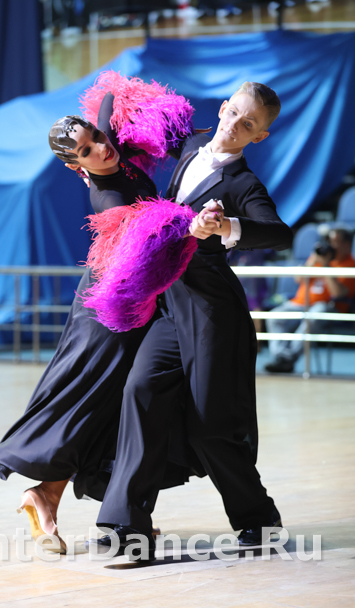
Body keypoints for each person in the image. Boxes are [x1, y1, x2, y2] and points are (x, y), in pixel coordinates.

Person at [0, 92, 194, 554]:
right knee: (93, 398)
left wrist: (124, 114)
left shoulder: (106, 145)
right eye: (86, 150)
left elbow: (110, 99)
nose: (101, 146)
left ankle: (58, 498)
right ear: (74, 166)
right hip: (109, 309)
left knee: (114, 403)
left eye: (96, 136)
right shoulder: (110, 199)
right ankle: (64, 497)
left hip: (132, 302)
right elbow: (154, 242)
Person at [91, 81, 293, 560]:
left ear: (259, 136)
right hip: (170, 302)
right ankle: (127, 526)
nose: (236, 125)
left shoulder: (243, 185)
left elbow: (280, 234)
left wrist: (226, 226)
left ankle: (259, 520)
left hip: (212, 309)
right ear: (223, 108)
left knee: (210, 423)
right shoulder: (190, 145)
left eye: (249, 124)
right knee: (140, 391)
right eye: (234, 113)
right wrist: (92, 158)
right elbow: (122, 123)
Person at [265, 228, 355, 373]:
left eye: (335, 242)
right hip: (300, 303)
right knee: (275, 316)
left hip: (328, 306)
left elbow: (338, 293)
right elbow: (298, 279)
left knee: (314, 314)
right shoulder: (318, 258)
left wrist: (326, 266)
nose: (331, 245)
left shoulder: (350, 264)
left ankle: (288, 359)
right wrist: (314, 259)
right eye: (329, 241)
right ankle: (281, 357)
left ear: (347, 244)